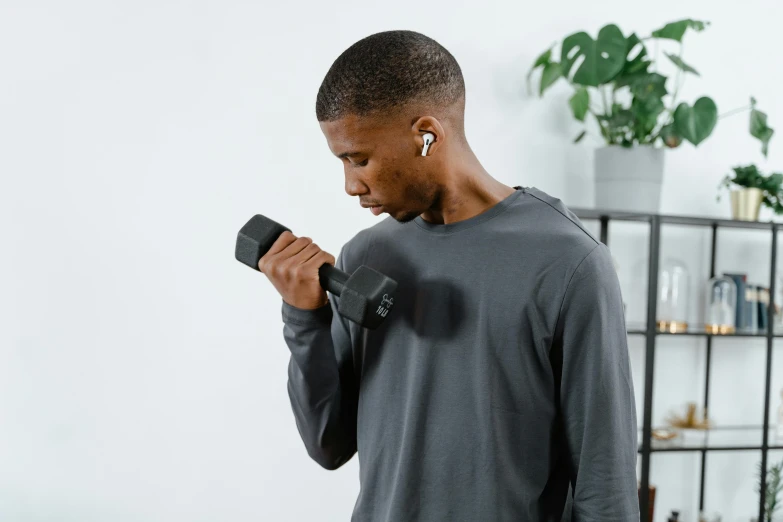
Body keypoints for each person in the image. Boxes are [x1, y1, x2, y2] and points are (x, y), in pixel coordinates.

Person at [258, 30, 639, 522]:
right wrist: (303, 316)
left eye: (360, 159)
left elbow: (604, 480)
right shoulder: (366, 255)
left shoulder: (568, 261)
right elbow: (327, 444)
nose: (352, 185)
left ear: (426, 135)